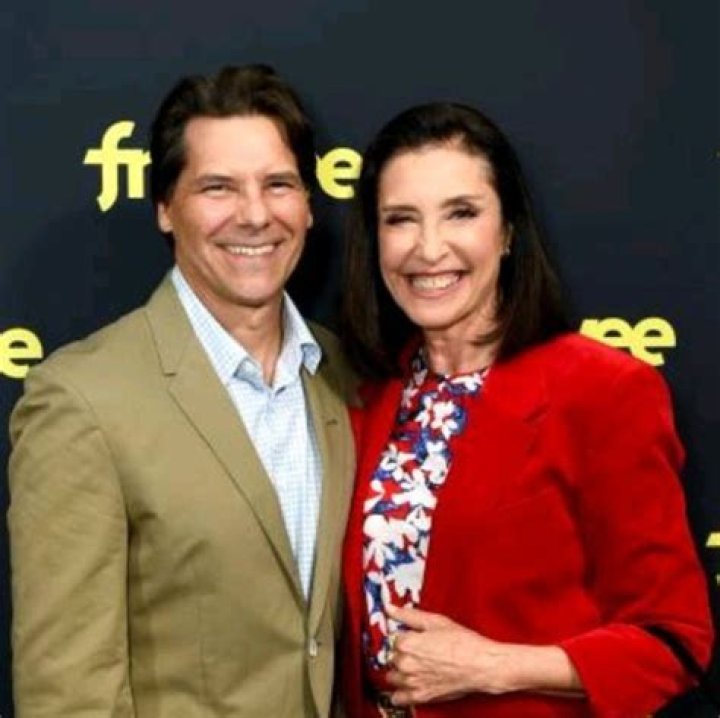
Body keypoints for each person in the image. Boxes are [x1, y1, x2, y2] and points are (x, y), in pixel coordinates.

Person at [340, 102, 713, 717]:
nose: (428, 248)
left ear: (508, 231)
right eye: (401, 219)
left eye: (461, 213)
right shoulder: (365, 399)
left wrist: (492, 666)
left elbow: (673, 641)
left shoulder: (605, 390)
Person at [8, 65, 355, 717]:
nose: (255, 215)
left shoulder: (345, 374)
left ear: (309, 204)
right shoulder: (82, 400)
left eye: (278, 184)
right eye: (218, 187)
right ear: (166, 208)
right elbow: (68, 692)